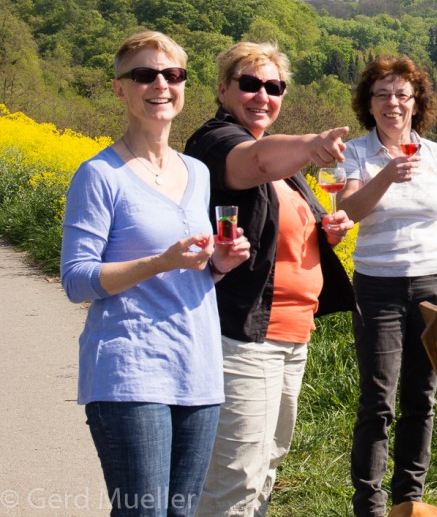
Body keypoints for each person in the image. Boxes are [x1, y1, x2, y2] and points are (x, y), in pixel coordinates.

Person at [61, 31, 251, 517]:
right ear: (120, 89)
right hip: (130, 371)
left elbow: (191, 274)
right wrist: (161, 261)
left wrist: (219, 266)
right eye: (144, 75)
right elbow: (77, 279)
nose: (160, 85)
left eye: (173, 75)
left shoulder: (197, 172)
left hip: (198, 368)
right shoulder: (99, 175)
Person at [183, 41, 357, 516]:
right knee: (234, 477)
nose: (263, 95)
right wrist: (311, 145)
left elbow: (283, 231)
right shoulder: (215, 142)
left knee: (266, 468)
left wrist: (327, 231)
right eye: (250, 84)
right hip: (243, 334)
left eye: (274, 87)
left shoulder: (290, 173)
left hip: (291, 334)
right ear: (223, 90)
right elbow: (255, 161)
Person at [337, 55, 437, 517]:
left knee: (422, 396)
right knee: (377, 400)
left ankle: (410, 501)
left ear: (417, 102)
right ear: (369, 103)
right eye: (382, 94)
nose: (392, 103)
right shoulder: (357, 153)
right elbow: (349, 211)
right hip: (376, 287)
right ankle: (370, 506)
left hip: (432, 285)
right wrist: (386, 174)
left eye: (402, 94)